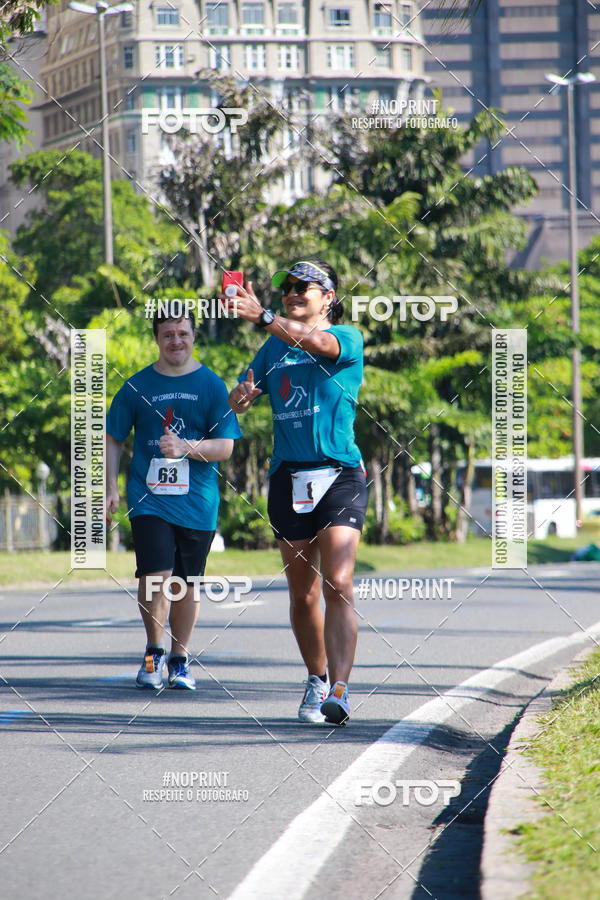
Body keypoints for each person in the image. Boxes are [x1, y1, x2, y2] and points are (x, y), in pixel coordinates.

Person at [227, 259, 367, 725]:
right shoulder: (273, 349)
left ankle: (341, 691)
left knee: (339, 582)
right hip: (289, 480)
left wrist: (266, 317)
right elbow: (245, 389)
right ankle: (317, 678)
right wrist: (241, 397)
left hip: (339, 474)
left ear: (328, 296)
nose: (292, 293)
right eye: (287, 287)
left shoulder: (347, 338)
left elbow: (317, 342)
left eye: (303, 287)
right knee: (303, 594)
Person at [106, 308, 242, 690]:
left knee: (186, 583)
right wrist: (111, 487)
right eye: (168, 335)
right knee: (155, 575)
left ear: (194, 336)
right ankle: (154, 650)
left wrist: (186, 447)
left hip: (197, 502)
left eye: (182, 333)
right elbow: (113, 435)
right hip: (148, 498)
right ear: (157, 339)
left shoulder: (212, 386)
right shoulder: (137, 386)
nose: (176, 341)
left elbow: (225, 447)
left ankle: (180, 659)